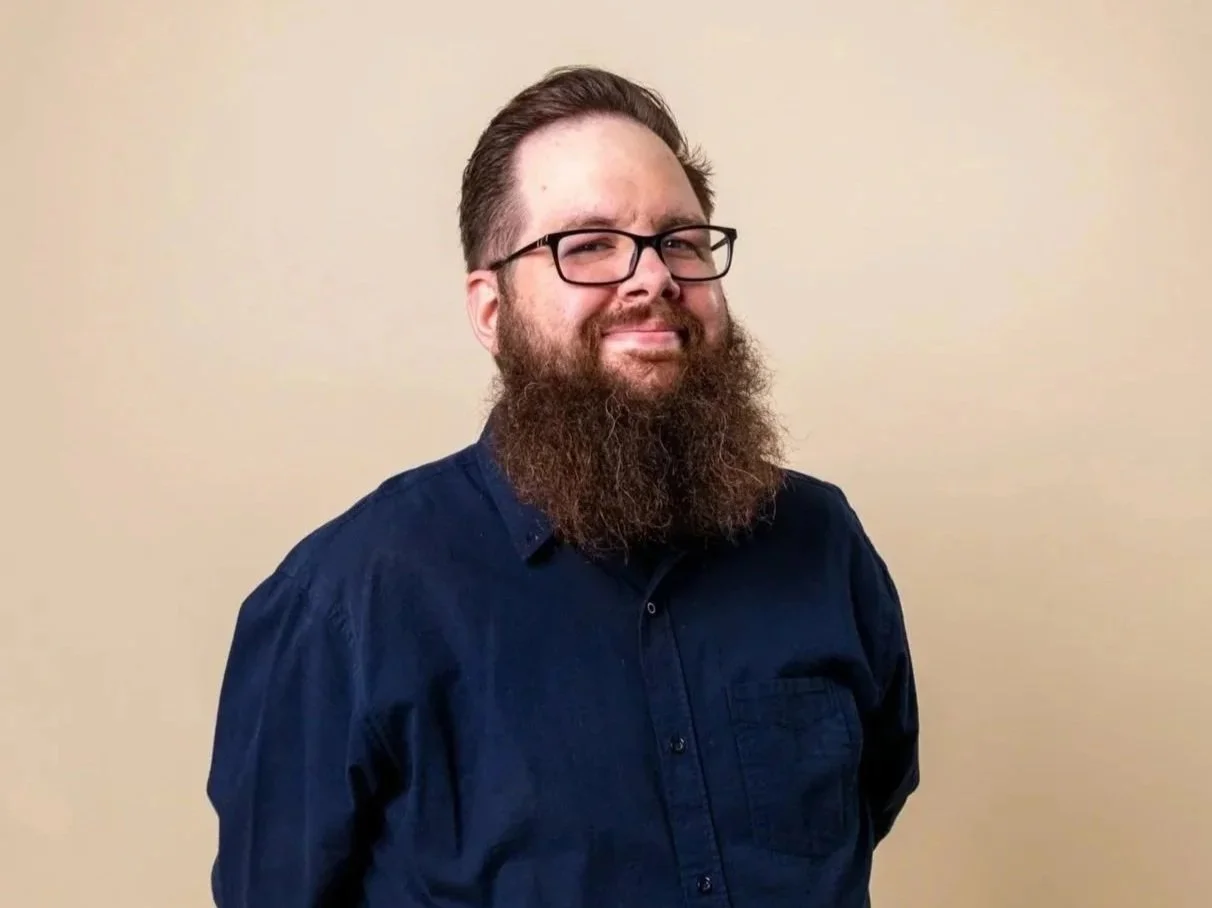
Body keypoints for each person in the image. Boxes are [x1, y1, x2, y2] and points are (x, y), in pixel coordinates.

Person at [205, 64, 920, 908]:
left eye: (681, 242)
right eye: (587, 246)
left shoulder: (820, 541)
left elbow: (868, 800)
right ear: (491, 309)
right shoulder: (347, 599)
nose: (653, 279)